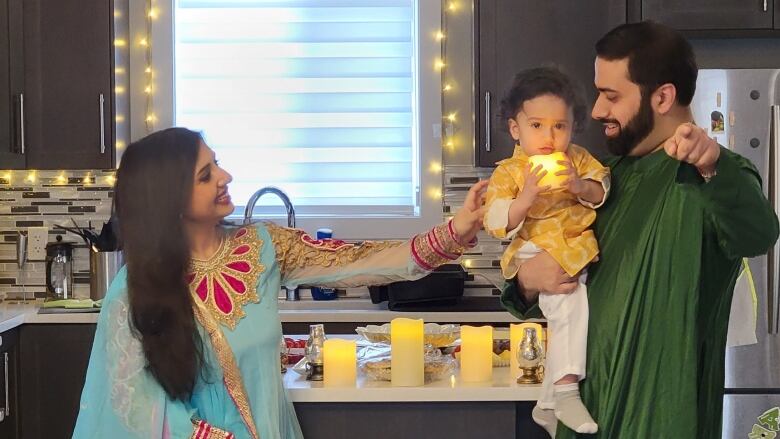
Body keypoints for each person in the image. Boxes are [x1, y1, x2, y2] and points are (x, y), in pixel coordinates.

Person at [72, 127, 488, 439]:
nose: (226, 175)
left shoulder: (262, 247)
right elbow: (128, 401)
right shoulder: (135, 288)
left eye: (217, 162)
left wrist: (456, 231)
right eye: (206, 173)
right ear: (170, 198)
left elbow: (362, 261)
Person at [501, 21, 779, 438]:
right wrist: (525, 280)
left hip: (661, 422)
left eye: (611, 96)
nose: (595, 111)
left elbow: (757, 235)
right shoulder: (600, 179)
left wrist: (712, 164)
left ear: (663, 97)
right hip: (584, 419)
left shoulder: (707, 176)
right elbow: (531, 285)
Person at [484, 67, 608, 434]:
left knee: (571, 313)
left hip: (572, 249)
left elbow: (602, 189)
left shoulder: (578, 160)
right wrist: (524, 200)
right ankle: (565, 391)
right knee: (569, 309)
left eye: (560, 126)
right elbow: (497, 220)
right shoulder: (510, 171)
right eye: (537, 126)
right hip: (534, 249)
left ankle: (548, 404)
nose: (549, 137)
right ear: (515, 129)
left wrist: (580, 187)